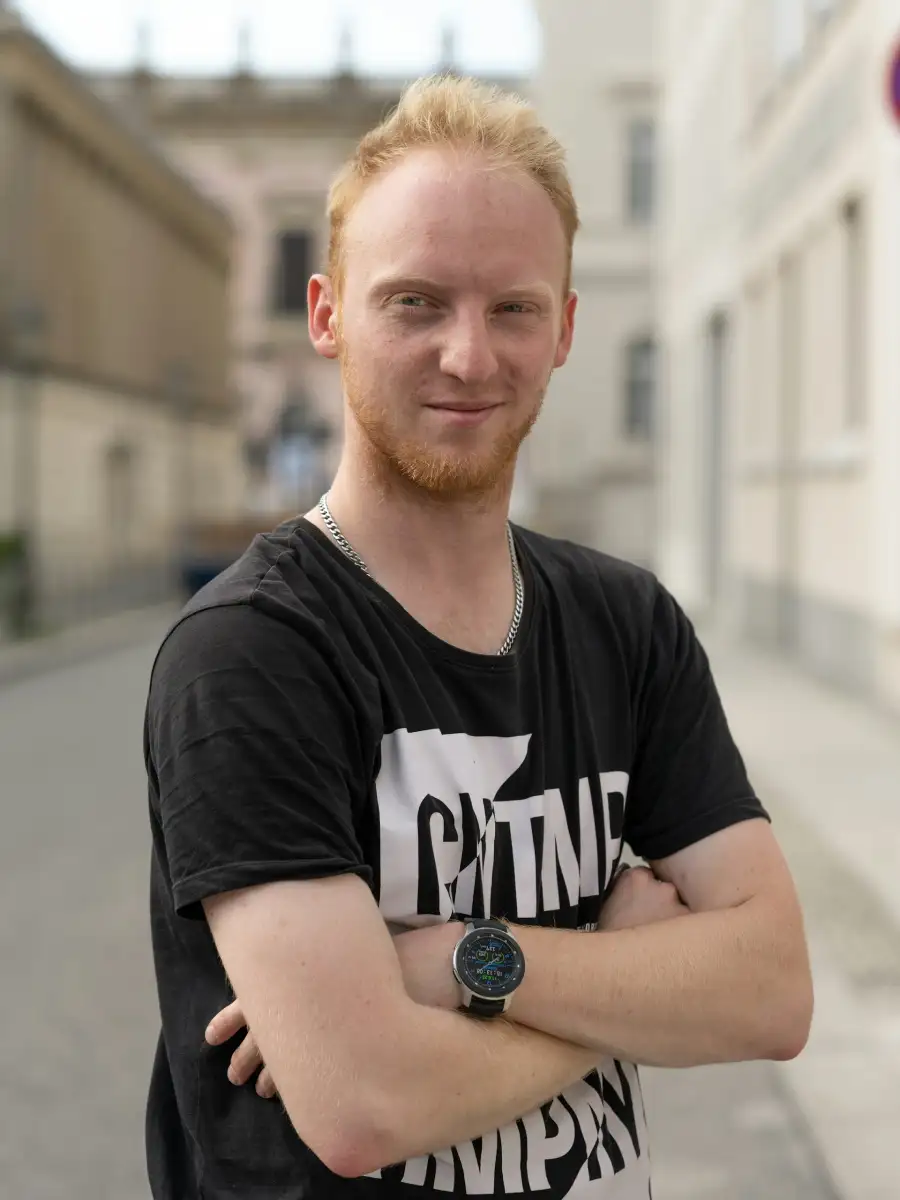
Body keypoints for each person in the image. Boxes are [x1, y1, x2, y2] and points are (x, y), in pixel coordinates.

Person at [143, 74, 813, 1200]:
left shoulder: (625, 622)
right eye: (414, 303)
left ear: (563, 329)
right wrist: (625, 981)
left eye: (513, 307)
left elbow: (774, 994)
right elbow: (366, 1105)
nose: (469, 355)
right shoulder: (252, 655)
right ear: (326, 314)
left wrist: (460, 960)